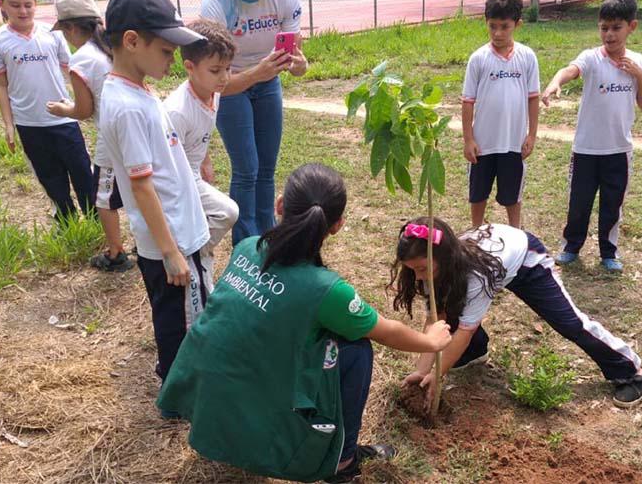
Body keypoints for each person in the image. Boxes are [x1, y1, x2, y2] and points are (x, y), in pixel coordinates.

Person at [157, 164, 452, 483]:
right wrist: (431, 341)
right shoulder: (326, 290)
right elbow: (387, 331)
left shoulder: (248, 246)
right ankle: (342, 461)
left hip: (206, 408)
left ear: (280, 204)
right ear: (338, 225)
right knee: (356, 350)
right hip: (254, 423)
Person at [391, 218, 642, 408]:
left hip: (526, 261)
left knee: (569, 323)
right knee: (452, 309)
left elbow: (466, 329)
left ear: (443, 256)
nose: (418, 277)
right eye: (412, 270)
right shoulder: (431, 269)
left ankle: (630, 370)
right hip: (489, 265)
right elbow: (435, 322)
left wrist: (438, 375)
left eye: (422, 268)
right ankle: (474, 354)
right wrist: (422, 370)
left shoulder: (475, 277)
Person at [99, 0, 210, 381]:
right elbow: (142, 186)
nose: (174, 59)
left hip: (180, 230)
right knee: (176, 319)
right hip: (171, 238)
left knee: (187, 311)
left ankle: (182, 374)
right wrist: (170, 251)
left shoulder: (137, 91)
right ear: (131, 41)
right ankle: (177, 386)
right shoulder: (126, 106)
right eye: (166, 51)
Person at [542, 0, 642, 273]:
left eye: (616, 28)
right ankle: (571, 246)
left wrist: (639, 76)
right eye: (604, 28)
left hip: (618, 150)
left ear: (632, 27)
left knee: (612, 206)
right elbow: (571, 70)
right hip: (586, 149)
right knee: (579, 202)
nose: (609, 34)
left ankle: (608, 251)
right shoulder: (591, 58)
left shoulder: (637, 61)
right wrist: (555, 83)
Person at [200, 0, 308, 244]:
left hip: (268, 81)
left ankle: (267, 237)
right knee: (247, 169)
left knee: (266, 167)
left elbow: (295, 61)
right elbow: (215, 79)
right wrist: (255, 74)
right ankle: (246, 245)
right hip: (229, 81)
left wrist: (299, 66)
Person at [0, 0, 94, 222]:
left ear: (35, 3)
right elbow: (0, 83)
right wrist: (8, 123)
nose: (23, 11)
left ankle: (95, 217)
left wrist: (84, 104)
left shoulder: (52, 33)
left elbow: (73, 70)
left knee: (81, 170)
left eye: (28, 5)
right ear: (1, 4)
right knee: (50, 176)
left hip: (64, 117)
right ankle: (67, 221)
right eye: (15, 5)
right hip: (29, 123)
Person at [45, 0, 134, 272]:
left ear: (71, 27)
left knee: (104, 198)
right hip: (137, 126)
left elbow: (83, 110)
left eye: (64, 30)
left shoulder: (82, 58)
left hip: (112, 136)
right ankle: (147, 243)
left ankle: (115, 252)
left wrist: (63, 109)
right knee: (141, 188)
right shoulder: (112, 46)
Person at [163, 18, 239, 290]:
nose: (225, 78)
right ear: (189, 67)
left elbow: (203, 130)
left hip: (193, 172)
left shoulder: (212, 92)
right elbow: (168, 164)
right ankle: (196, 253)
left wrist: (205, 159)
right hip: (178, 179)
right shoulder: (177, 111)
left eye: (228, 69)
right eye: (216, 70)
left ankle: (197, 252)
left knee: (218, 214)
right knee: (228, 212)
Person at [461, 0, 539, 229]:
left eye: (504, 26)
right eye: (492, 25)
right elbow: (467, 101)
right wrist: (468, 139)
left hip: (513, 143)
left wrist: (532, 134)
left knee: (512, 195)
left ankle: (516, 233)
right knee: (478, 193)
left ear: (517, 24)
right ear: (486, 22)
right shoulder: (478, 58)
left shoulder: (527, 57)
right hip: (483, 144)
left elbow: (533, 98)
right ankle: (475, 231)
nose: (498, 32)